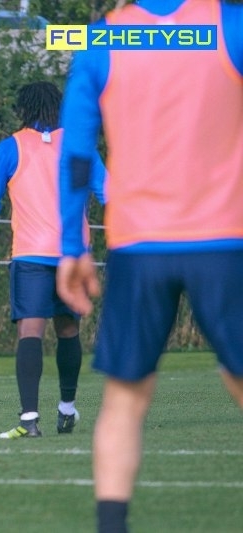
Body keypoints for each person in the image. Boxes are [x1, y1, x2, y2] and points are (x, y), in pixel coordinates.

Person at [56, 1, 243, 531]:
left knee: (124, 398)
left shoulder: (98, 42)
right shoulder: (232, 26)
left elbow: (76, 154)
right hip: (224, 241)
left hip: (138, 246)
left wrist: (72, 246)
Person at [0, 81, 106, 439]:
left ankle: (30, 419)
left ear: (23, 109)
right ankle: (67, 409)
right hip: (72, 255)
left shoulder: (10, 147)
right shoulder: (79, 144)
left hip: (31, 256)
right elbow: (108, 193)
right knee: (68, 330)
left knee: (30, 331)